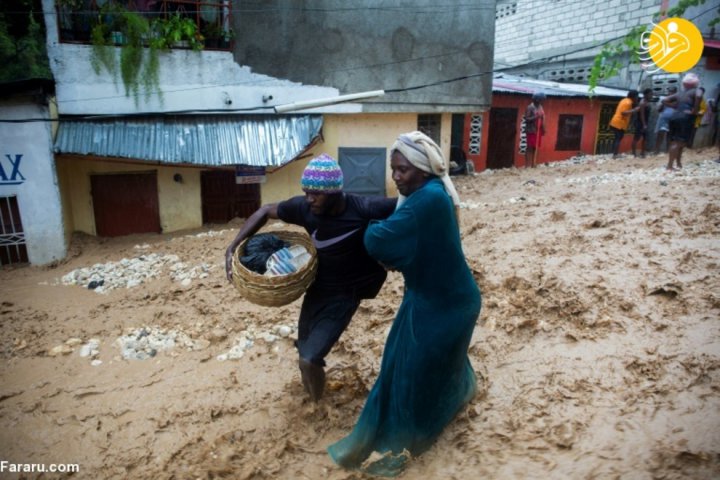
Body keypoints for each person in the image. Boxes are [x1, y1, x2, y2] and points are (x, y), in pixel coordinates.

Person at [327, 131, 482, 477]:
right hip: (433, 298)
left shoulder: (426, 201)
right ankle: (459, 393)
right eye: (393, 169)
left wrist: (366, 226)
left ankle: (404, 443)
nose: (395, 177)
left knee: (412, 377)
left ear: (423, 170)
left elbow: (378, 240)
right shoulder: (433, 193)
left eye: (402, 170)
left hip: (447, 306)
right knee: (397, 365)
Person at [224, 154, 397, 402]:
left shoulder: (363, 208)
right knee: (303, 351)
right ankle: (314, 397)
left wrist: (395, 253)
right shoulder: (304, 208)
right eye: (306, 192)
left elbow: (409, 205)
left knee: (309, 359)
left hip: (345, 294)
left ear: (336, 193)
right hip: (316, 289)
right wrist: (233, 246)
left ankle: (316, 410)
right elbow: (265, 210)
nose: (310, 198)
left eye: (316, 193)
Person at [663, 72, 703, 171]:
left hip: (674, 117)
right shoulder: (696, 90)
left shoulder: (680, 93)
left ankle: (678, 163)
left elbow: (664, 100)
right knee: (677, 143)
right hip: (685, 118)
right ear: (695, 83)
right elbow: (699, 96)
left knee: (679, 142)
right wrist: (695, 110)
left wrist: (674, 106)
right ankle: (670, 166)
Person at [609, 89, 640, 159]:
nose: (637, 98)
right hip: (619, 123)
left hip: (616, 122)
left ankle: (614, 153)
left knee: (617, 138)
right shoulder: (628, 103)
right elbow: (623, 113)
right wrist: (634, 110)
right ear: (634, 96)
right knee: (618, 138)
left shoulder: (624, 100)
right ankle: (615, 155)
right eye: (637, 97)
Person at [524, 91, 546, 168]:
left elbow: (543, 117)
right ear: (537, 99)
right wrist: (536, 117)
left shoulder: (540, 107)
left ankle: (534, 164)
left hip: (538, 130)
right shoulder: (530, 107)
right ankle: (527, 165)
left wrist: (543, 128)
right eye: (541, 100)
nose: (542, 101)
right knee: (530, 147)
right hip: (531, 130)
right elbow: (526, 119)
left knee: (536, 147)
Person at [654, 85, 677, 155]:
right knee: (660, 134)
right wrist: (662, 104)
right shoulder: (664, 99)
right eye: (669, 92)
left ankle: (668, 151)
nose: (670, 93)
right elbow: (659, 110)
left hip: (672, 120)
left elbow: (674, 106)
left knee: (669, 136)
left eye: (672, 92)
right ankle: (656, 151)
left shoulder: (677, 100)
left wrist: (665, 102)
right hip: (663, 120)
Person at [632, 88, 653, 158]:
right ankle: (634, 154)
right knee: (636, 138)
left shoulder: (647, 102)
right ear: (646, 95)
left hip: (645, 123)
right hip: (640, 123)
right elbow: (642, 115)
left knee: (645, 138)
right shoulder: (642, 103)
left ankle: (642, 153)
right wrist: (644, 125)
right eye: (650, 94)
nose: (651, 96)